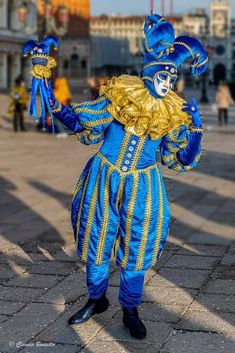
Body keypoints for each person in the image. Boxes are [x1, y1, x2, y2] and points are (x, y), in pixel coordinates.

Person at [23, 14, 208, 339]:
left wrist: (195, 130)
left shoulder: (171, 114)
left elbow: (181, 159)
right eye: (162, 74)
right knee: (96, 241)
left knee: (137, 248)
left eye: (171, 76)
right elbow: (78, 122)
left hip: (144, 188)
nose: (166, 81)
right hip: (103, 180)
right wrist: (45, 82)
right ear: (149, 73)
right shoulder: (120, 99)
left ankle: (130, 308)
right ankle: (97, 299)